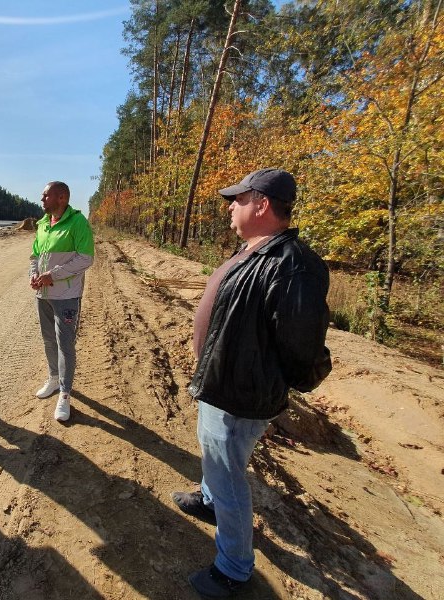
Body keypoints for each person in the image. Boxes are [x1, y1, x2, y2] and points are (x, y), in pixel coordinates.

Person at [171, 168, 332, 597]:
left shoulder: (294, 264)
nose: (230, 206)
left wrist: (292, 379)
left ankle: (233, 568)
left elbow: (301, 343)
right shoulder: (257, 251)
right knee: (215, 461)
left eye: (238, 199)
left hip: (240, 395)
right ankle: (208, 500)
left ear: (261, 204)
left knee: (229, 479)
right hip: (221, 383)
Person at [29, 181, 95, 422]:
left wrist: (52, 275)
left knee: (65, 344)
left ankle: (65, 394)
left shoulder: (78, 223)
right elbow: (35, 255)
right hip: (43, 295)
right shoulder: (43, 224)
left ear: (62, 198)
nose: (41, 199)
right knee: (48, 340)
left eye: (45, 195)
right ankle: (54, 379)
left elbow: (86, 258)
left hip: (66, 296)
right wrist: (34, 275)